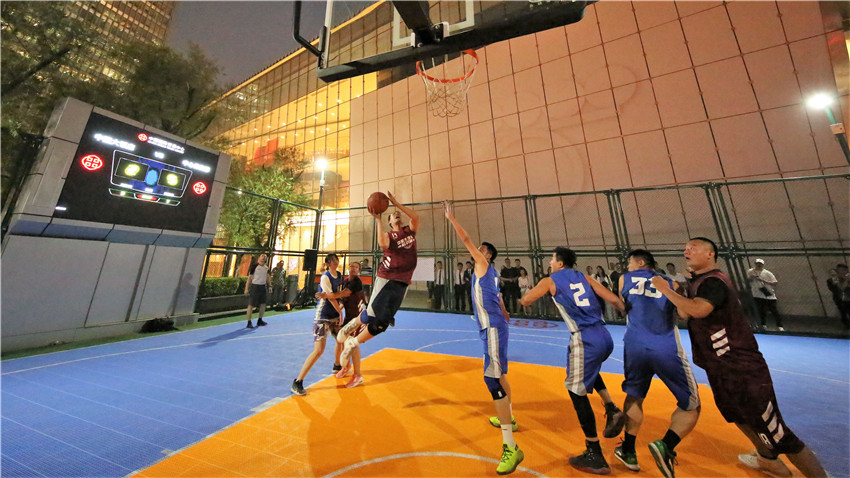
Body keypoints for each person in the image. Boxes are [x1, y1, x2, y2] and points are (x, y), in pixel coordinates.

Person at [651, 237, 827, 478]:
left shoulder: (713, 281)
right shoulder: (698, 282)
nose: (687, 251)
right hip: (719, 367)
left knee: (778, 433)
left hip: (740, 367)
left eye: (693, 247)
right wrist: (678, 290)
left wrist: (665, 290)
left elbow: (699, 310)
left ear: (710, 254)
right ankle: (768, 459)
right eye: (686, 248)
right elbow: (685, 312)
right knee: (737, 415)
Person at [520, 247, 626, 475]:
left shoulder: (550, 280)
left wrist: (521, 296)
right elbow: (614, 300)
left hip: (584, 338)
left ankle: (594, 452)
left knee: (575, 391)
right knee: (587, 371)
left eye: (552, 259)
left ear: (560, 263)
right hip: (604, 335)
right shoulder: (585, 278)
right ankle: (611, 407)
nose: (550, 262)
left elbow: (527, 300)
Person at [444, 201, 524, 475]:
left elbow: (466, 239)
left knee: (491, 379)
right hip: (494, 326)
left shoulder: (482, 263)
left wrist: (451, 219)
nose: (477, 250)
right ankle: (510, 417)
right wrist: (505, 312)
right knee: (500, 375)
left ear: (487, 255)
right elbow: (498, 297)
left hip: (492, 328)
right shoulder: (491, 273)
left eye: (482, 249)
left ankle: (510, 446)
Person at [613, 249, 701, 475]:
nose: (628, 266)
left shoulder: (625, 279)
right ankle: (666, 445)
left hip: (634, 345)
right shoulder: (671, 283)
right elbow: (685, 314)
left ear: (641, 262)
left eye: (630, 262)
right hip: (665, 346)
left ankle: (628, 450)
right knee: (692, 405)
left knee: (634, 396)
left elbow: (622, 308)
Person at [336, 191, 419, 375]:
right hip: (387, 278)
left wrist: (396, 203)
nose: (397, 215)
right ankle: (352, 333)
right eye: (393, 215)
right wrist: (378, 219)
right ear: (389, 222)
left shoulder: (409, 231)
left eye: (398, 214)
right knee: (374, 315)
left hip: (403, 282)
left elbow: (415, 217)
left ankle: (353, 338)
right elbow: (382, 243)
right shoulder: (389, 235)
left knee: (382, 323)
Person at [291, 253, 345, 396]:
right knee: (319, 350)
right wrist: (340, 311)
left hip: (333, 314)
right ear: (328, 264)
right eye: (332, 261)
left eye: (336, 260)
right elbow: (331, 297)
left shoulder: (339, 275)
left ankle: (337, 365)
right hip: (323, 315)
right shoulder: (325, 277)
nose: (335, 262)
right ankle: (298, 381)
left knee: (341, 339)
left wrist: (340, 304)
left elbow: (337, 294)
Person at [316, 261, 367, 383]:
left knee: (352, 343)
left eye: (356, 267)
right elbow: (343, 299)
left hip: (358, 317)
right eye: (351, 266)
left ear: (359, 270)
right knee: (342, 340)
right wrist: (338, 310)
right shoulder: (345, 280)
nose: (353, 268)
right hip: (349, 317)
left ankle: (357, 374)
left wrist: (326, 296)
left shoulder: (356, 282)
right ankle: (344, 366)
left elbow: (345, 293)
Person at [748, 259, 784, 331]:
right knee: (761, 311)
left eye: (760, 264)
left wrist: (763, 280)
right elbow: (747, 281)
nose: (758, 265)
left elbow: (775, 283)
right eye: (757, 263)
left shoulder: (767, 273)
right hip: (757, 295)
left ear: (763, 265)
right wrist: (751, 278)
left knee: (774, 311)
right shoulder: (750, 272)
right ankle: (763, 325)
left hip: (768, 295)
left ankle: (779, 325)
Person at [244, 253, 270, 329]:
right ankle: (249, 322)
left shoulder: (266, 268)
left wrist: (270, 285)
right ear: (259, 258)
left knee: (263, 304)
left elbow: (268, 277)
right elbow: (249, 278)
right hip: (255, 287)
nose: (263, 258)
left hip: (263, 287)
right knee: (251, 305)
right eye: (262, 256)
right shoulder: (254, 266)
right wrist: (246, 288)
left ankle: (260, 320)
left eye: (265, 257)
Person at [827, 265, 850, 329]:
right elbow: (839, 289)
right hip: (840, 298)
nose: (842, 272)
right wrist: (846, 280)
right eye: (840, 270)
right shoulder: (834, 279)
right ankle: (846, 324)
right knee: (843, 311)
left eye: (844, 270)